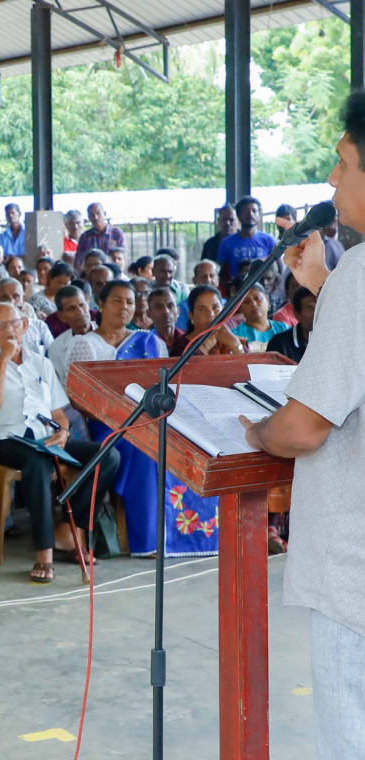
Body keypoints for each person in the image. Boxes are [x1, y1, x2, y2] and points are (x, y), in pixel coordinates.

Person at [235, 93, 365, 757]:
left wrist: (258, 432)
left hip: (355, 573)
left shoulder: (362, 279)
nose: (331, 180)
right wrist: (326, 283)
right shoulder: (354, 280)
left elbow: (304, 429)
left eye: (343, 163)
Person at [0, 302, 118, 582]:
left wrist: (63, 432)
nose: (9, 330)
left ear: (25, 325)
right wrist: (3, 359)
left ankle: (71, 532)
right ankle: (44, 552)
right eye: (0, 326)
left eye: (14, 323)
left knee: (107, 454)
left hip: (43, 438)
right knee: (37, 462)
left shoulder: (41, 362)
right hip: (4, 439)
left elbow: (59, 413)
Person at [65, 282, 219, 558]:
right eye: (116, 300)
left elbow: (163, 387)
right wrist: (120, 416)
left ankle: (197, 537)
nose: (123, 306)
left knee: (192, 444)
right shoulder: (85, 344)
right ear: (99, 305)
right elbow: (79, 399)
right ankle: (149, 541)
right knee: (147, 451)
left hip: (150, 420)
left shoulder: (150, 341)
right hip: (108, 426)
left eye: (129, 301)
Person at [216, 196, 276, 284]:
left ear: (259, 215)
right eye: (247, 211)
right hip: (239, 290)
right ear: (239, 215)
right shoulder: (227, 243)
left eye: (254, 211)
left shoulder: (269, 240)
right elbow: (219, 272)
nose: (251, 214)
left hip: (262, 290)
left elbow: (279, 271)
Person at [170, 285, 244, 357]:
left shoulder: (231, 339)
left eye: (215, 307)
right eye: (202, 309)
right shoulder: (181, 347)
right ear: (191, 315)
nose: (210, 314)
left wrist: (235, 345)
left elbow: (245, 366)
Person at [0, 277, 53, 355]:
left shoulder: (39, 326)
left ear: (24, 299)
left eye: (16, 296)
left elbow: (53, 354)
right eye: (5, 298)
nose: (11, 302)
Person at [46, 285, 93, 382]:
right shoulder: (57, 347)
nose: (80, 312)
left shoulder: (106, 333)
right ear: (61, 316)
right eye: (72, 309)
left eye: (81, 305)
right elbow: (60, 385)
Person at [231, 284, 289, 351]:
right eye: (246, 302)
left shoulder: (284, 328)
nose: (253, 304)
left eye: (257, 298)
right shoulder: (235, 335)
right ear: (240, 308)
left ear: (267, 300)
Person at [147, 289, 184, 353]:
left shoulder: (188, 339)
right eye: (159, 307)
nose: (166, 311)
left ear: (178, 311)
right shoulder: (145, 341)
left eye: (170, 306)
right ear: (149, 313)